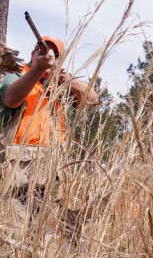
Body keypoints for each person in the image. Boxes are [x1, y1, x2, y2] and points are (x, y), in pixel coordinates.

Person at [0, 35, 99, 227]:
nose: (45, 54)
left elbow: (92, 99)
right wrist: (39, 69)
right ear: (33, 53)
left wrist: (64, 77)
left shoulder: (59, 86)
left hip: (49, 179)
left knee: (45, 241)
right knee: (13, 237)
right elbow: (11, 99)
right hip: (16, 177)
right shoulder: (18, 75)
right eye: (41, 49)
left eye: (53, 53)